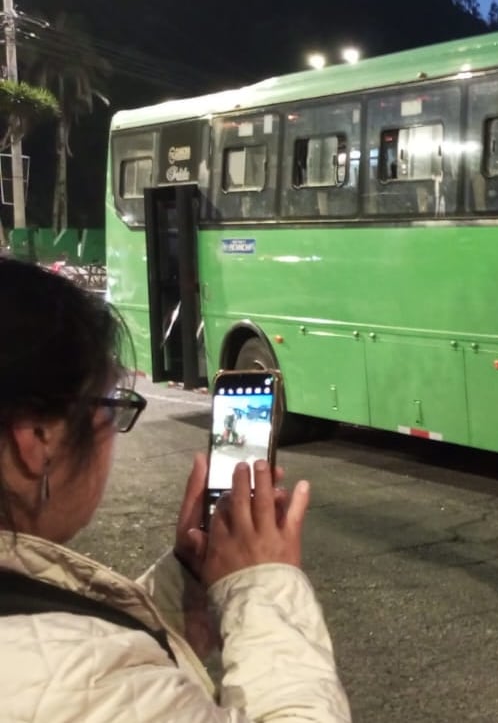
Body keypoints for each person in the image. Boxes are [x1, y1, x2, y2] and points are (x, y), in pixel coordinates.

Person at [0, 258, 350, 721]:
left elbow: (78, 635)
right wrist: (262, 585)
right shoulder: (80, 681)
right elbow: (90, 667)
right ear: (36, 442)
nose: (112, 433)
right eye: (108, 408)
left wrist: (184, 577)